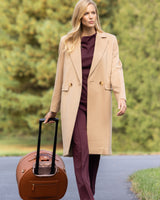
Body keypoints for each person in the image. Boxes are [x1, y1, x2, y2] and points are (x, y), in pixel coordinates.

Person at [44, 0, 127, 199]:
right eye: (86, 13)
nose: (91, 16)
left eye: (93, 12)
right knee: (81, 153)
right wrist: (53, 109)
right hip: (75, 103)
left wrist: (120, 97)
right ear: (79, 17)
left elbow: (116, 69)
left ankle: (89, 195)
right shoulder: (67, 41)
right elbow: (60, 75)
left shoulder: (109, 40)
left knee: (93, 155)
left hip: (99, 102)